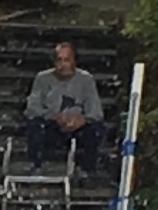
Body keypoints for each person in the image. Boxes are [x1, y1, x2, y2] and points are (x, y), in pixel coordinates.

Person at [23, 41, 105, 169]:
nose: (63, 65)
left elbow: (96, 111)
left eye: (67, 60)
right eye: (59, 60)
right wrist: (53, 116)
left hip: (78, 127)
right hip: (52, 126)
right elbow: (32, 108)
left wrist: (82, 120)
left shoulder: (86, 79)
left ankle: (87, 171)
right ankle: (36, 167)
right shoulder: (42, 78)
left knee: (95, 130)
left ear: (74, 61)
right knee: (34, 126)